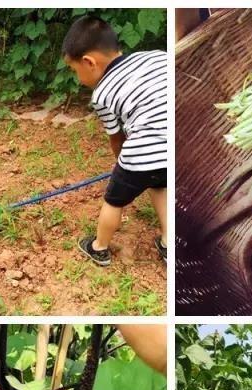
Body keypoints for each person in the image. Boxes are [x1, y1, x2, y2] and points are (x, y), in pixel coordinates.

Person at [62, 16, 167, 266]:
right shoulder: (155, 56)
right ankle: (168, 242)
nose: (78, 78)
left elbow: (116, 137)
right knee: (160, 185)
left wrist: (122, 165)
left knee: (113, 201)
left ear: (89, 63)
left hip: (141, 153)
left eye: (74, 70)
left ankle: (99, 247)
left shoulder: (102, 94)